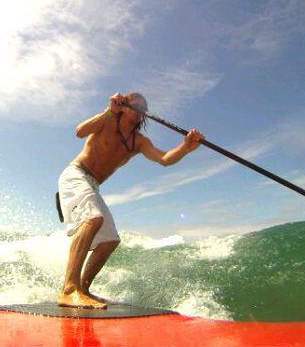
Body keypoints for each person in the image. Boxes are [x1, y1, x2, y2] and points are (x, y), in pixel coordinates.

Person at [57, 92, 205, 309]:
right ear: (123, 106)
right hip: (76, 174)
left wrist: (185, 147)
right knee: (93, 218)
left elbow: (164, 159)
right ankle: (69, 290)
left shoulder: (139, 142)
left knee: (110, 240)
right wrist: (109, 111)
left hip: (93, 185)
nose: (139, 110)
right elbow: (80, 132)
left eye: (143, 108)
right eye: (134, 105)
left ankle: (84, 289)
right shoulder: (107, 120)